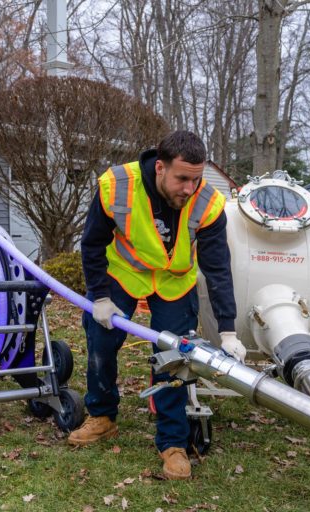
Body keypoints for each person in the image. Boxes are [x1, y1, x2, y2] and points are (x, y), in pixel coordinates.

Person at [68, 130, 246, 480]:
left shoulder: (209, 203)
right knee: (100, 340)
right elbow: (91, 244)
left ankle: (173, 442)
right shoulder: (116, 186)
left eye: (196, 179)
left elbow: (217, 269)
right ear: (160, 167)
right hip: (124, 271)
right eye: (182, 178)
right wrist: (100, 297)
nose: (189, 188)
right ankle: (102, 416)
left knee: (175, 356)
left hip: (173, 279)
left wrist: (228, 330)